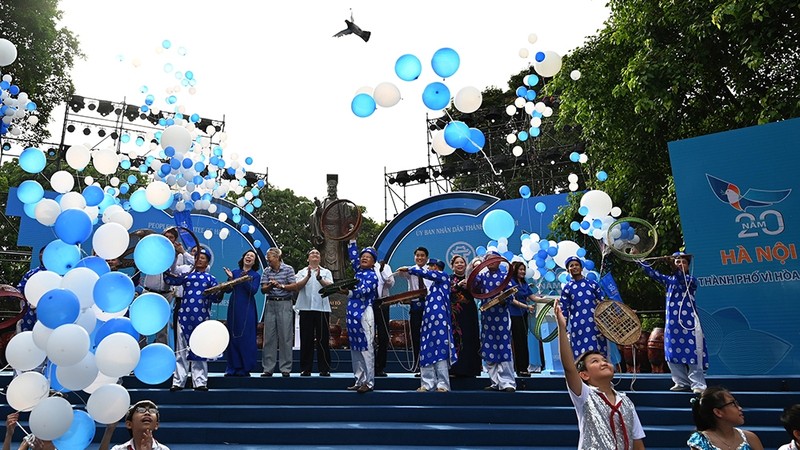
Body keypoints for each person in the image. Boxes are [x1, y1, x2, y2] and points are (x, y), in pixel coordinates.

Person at [555, 298, 646, 449]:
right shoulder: (585, 396)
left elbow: (637, 442)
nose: (603, 362)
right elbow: (569, 368)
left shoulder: (626, 402)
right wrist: (562, 328)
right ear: (584, 375)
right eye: (595, 361)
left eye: (604, 359)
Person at [639, 251, 707, 393]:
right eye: (677, 261)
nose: (680, 264)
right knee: (672, 352)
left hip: (689, 323)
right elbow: (651, 273)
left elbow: (681, 278)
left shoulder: (691, 281)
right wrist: (638, 259)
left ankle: (698, 384)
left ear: (688, 266)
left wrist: (672, 265)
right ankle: (681, 382)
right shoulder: (668, 281)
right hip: (672, 323)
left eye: (683, 262)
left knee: (693, 352)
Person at [164, 248, 221, 391]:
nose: (199, 259)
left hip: (201, 319)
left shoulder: (210, 279)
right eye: (197, 257)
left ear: (208, 261)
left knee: (200, 349)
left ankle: (200, 381)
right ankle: (178, 381)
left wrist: (221, 290)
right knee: (181, 350)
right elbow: (171, 279)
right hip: (184, 316)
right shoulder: (187, 275)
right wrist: (169, 263)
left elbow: (217, 298)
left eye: (203, 258)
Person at [402, 258, 456, 392]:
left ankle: (443, 384)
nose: (430, 268)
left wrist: (410, 269)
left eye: (432, 266)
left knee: (441, 351)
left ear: (437, 268)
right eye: (429, 266)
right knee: (426, 350)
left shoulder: (443, 277)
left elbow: (427, 274)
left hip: (440, 322)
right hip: (428, 323)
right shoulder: (432, 287)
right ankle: (427, 384)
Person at [260, 247, 308, 377]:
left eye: (269, 258)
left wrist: (280, 285)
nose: (268, 260)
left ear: (277, 257)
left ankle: (285, 368)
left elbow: (294, 286)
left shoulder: (288, 269)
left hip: (285, 302)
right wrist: (270, 286)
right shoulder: (266, 270)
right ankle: (268, 368)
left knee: (285, 336)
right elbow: (263, 289)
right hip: (271, 303)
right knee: (269, 337)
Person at [474, 253, 516, 392]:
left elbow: (511, 294)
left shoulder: (504, 275)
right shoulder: (482, 276)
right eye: (487, 260)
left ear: (499, 261)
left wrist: (503, 299)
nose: (490, 262)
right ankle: (495, 382)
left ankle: (508, 382)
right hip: (487, 318)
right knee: (489, 348)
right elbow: (474, 287)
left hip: (502, 317)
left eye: (493, 260)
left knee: (504, 347)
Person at [343, 239, 379, 393]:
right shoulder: (358, 271)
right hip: (352, 312)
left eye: (368, 257)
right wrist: (352, 239)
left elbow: (362, 291)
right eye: (362, 256)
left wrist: (348, 292)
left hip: (364, 312)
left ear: (373, 262)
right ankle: (359, 379)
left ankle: (369, 382)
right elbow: (352, 256)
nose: (364, 258)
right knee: (355, 348)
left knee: (366, 348)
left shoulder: (372, 276)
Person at [294, 249, 334, 377]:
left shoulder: (326, 272)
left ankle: (324, 368)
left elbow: (330, 287)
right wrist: (308, 276)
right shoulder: (301, 272)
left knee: (323, 339)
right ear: (308, 258)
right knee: (306, 339)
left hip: (322, 309)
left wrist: (319, 278)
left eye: (317, 253)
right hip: (305, 308)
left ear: (320, 258)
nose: (315, 255)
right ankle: (306, 368)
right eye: (312, 253)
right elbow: (297, 286)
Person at [559, 256, 607, 360]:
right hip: (578, 326)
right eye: (571, 265)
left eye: (577, 265)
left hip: (595, 324)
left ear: (581, 268)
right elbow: (564, 310)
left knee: (597, 350)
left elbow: (603, 303)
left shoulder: (593, 284)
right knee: (581, 354)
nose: (574, 267)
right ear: (568, 270)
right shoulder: (567, 288)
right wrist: (564, 328)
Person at [222, 249, 261, 377]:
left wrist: (244, 279)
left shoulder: (255, 275)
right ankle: (232, 366)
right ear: (243, 258)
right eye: (247, 255)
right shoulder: (234, 272)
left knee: (246, 337)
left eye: (252, 256)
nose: (249, 257)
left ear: (254, 262)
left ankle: (245, 367)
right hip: (234, 307)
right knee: (233, 335)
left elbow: (253, 291)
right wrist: (230, 279)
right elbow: (227, 290)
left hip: (248, 308)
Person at [394, 246, 432, 374]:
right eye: (417, 255)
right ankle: (417, 364)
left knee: (429, 336)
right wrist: (409, 269)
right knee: (416, 336)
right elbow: (398, 272)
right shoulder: (410, 271)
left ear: (427, 258)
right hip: (415, 306)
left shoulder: (431, 270)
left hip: (430, 306)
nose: (420, 258)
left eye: (422, 255)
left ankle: (430, 364)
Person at [687, 387, 763, 450]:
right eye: (733, 404)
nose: (740, 408)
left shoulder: (750, 438)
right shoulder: (701, 441)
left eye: (737, 404)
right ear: (718, 412)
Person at [508, 261, 548, 377]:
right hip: (513, 315)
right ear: (515, 270)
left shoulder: (524, 284)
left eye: (524, 269)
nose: (523, 272)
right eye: (520, 269)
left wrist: (548, 299)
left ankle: (524, 367)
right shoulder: (510, 282)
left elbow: (533, 297)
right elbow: (512, 300)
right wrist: (526, 306)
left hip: (523, 315)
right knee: (517, 341)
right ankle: (519, 368)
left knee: (523, 341)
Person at [309, 174, 350, 281]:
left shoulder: (342, 203)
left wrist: (350, 228)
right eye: (330, 187)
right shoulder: (323, 202)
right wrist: (318, 208)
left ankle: (337, 278)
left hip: (337, 233)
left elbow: (347, 218)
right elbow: (315, 216)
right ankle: (324, 277)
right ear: (327, 188)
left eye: (333, 187)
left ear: (336, 189)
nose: (331, 189)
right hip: (325, 232)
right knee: (325, 255)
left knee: (337, 256)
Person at [447, 255, 481, 378]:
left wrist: (471, 287)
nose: (460, 264)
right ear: (452, 266)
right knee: (456, 339)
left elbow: (479, 293)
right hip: (455, 314)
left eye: (462, 262)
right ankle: (455, 369)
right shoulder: (449, 279)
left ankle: (471, 369)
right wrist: (457, 286)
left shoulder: (472, 278)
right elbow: (446, 292)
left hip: (469, 313)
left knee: (470, 338)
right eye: (457, 263)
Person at [99, 400, 170, 450]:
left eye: (152, 411)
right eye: (141, 410)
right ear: (129, 424)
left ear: (156, 425)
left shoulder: (164, 449)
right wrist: (109, 430)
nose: (147, 413)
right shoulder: (119, 449)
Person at [373, 258, 395, 377]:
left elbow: (391, 283)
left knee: (383, 335)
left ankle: (380, 367)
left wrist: (382, 272)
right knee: (369, 335)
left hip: (382, 303)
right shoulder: (364, 268)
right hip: (368, 304)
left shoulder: (384, 266)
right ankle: (369, 366)